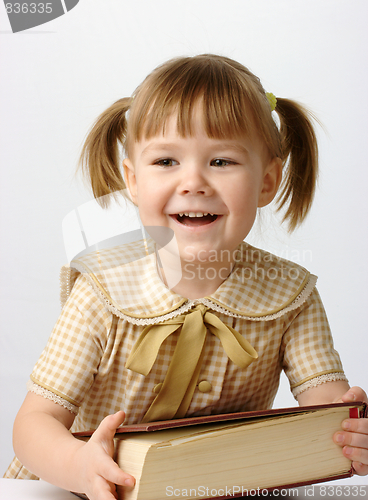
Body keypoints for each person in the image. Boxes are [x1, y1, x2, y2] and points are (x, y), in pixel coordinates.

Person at [5, 54, 368, 500]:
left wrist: (351, 428)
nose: (193, 181)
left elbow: (328, 407)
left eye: (221, 161)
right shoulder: (103, 290)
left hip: (212, 488)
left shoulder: (291, 295)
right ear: (132, 180)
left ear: (267, 182)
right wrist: (78, 466)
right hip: (79, 488)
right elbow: (34, 424)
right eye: (165, 162)